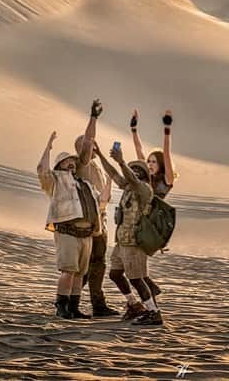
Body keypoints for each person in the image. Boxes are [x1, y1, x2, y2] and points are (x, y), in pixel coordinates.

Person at [95, 142, 163, 326]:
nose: (134, 172)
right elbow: (114, 174)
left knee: (136, 278)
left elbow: (131, 178)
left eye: (138, 170)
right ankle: (134, 305)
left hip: (134, 242)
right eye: (133, 169)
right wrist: (101, 155)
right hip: (122, 241)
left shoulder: (144, 189)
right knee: (115, 274)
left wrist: (122, 162)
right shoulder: (127, 188)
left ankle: (154, 312)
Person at [37, 131, 102, 320]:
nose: (72, 162)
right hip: (67, 231)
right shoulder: (55, 180)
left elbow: (99, 201)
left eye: (73, 160)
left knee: (80, 273)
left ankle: (74, 307)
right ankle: (62, 306)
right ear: (59, 165)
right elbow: (42, 170)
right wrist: (48, 147)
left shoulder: (83, 183)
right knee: (68, 271)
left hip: (86, 233)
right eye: (67, 160)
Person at [131, 109, 177, 299]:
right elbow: (139, 152)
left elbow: (166, 154)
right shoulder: (147, 178)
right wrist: (133, 129)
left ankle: (150, 303)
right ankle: (148, 294)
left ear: (161, 164)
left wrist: (167, 130)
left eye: (153, 162)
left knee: (136, 267)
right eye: (149, 162)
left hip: (152, 225)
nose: (149, 164)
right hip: (140, 220)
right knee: (135, 265)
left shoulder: (167, 180)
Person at [74, 133, 119, 317]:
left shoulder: (96, 167)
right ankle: (71, 300)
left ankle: (97, 304)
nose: (94, 147)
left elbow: (104, 199)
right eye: (90, 145)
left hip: (101, 220)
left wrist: (109, 178)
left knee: (98, 263)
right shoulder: (80, 165)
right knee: (85, 265)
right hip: (88, 222)